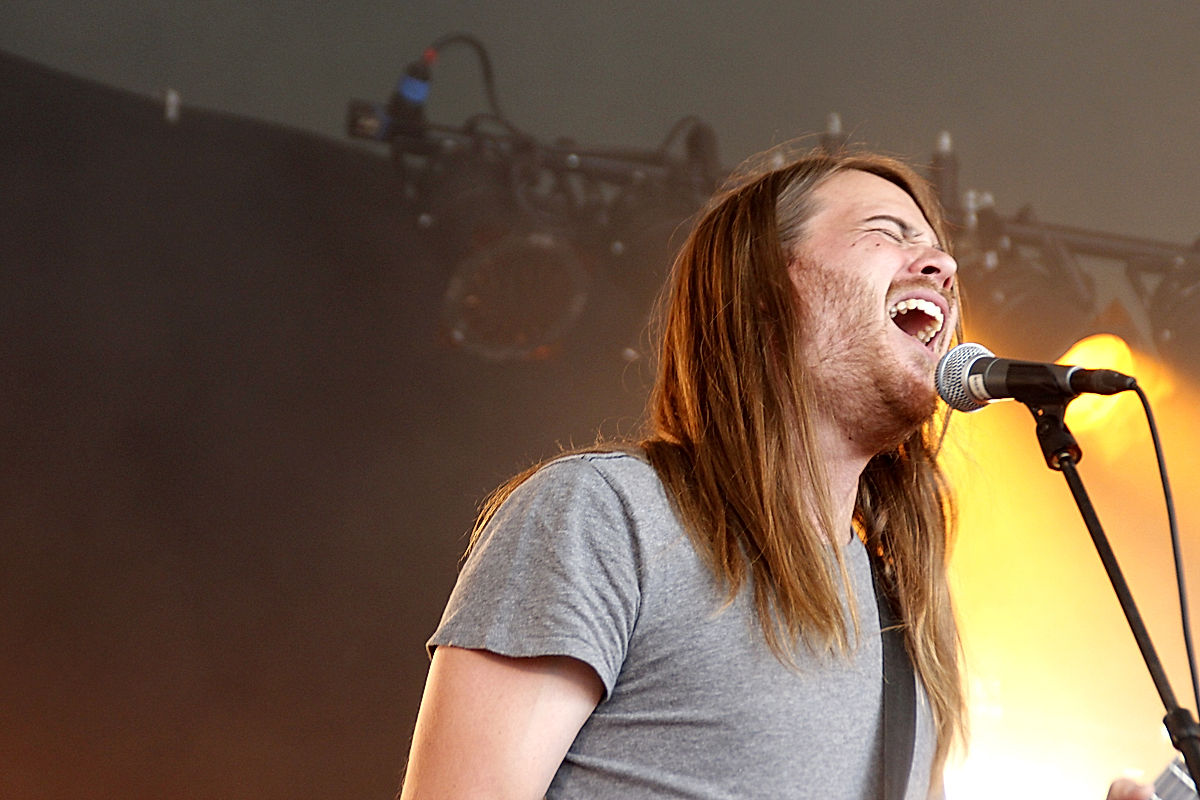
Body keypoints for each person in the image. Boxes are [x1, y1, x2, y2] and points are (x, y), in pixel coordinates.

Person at [398, 147, 1154, 800]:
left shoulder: (900, 612)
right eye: (886, 234)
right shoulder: (603, 518)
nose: (943, 265)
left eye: (937, 248)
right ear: (763, 290)